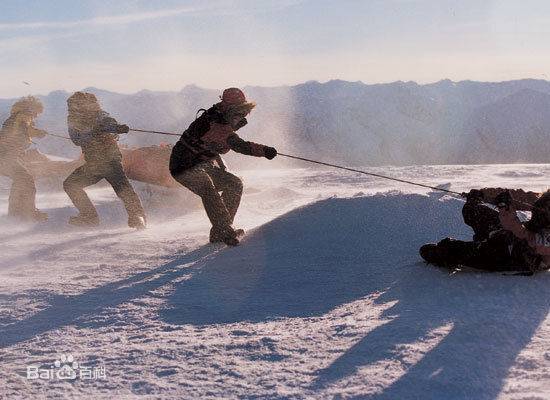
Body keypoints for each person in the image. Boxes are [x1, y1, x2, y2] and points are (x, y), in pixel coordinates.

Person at [169, 88, 277, 246]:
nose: (242, 117)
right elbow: (239, 146)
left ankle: (220, 231)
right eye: (240, 112)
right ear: (230, 109)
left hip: (200, 165)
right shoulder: (217, 124)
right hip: (183, 166)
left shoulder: (219, 117)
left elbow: (212, 148)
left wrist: (219, 166)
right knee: (208, 190)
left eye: (244, 113)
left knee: (234, 184)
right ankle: (225, 230)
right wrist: (264, 151)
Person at [63, 92, 146, 228]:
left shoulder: (100, 115)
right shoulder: (73, 120)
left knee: (123, 188)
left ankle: (137, 216)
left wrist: (117, 127)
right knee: (71, 184)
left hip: (110, 160)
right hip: (94, 164)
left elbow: (109, 122)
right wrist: (93, 132)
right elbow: (77, 139)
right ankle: (89, 216)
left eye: (75, 105)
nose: (72, 108)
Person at [420, 188, 550, 274]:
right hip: (505, 235)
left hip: (509, 256)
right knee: (474, 210)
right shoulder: (545, 202)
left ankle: (443, 253)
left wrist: (506, 213)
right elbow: (524, 196)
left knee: (448, 249)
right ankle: (481, 224)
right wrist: (483, 195)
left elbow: (525, 236)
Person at [0, 96, 48, 221]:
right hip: (6, 158)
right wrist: (37, 133)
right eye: (36, 113)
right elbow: (22, 133)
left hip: (7, 157)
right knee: (27, 181)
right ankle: (29, 212)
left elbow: (22, 132)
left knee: (20, 181)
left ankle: (16, 213)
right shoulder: (22, 118)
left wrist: (36, 133)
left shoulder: (17, 120)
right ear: (30, 110)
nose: (37, 116)